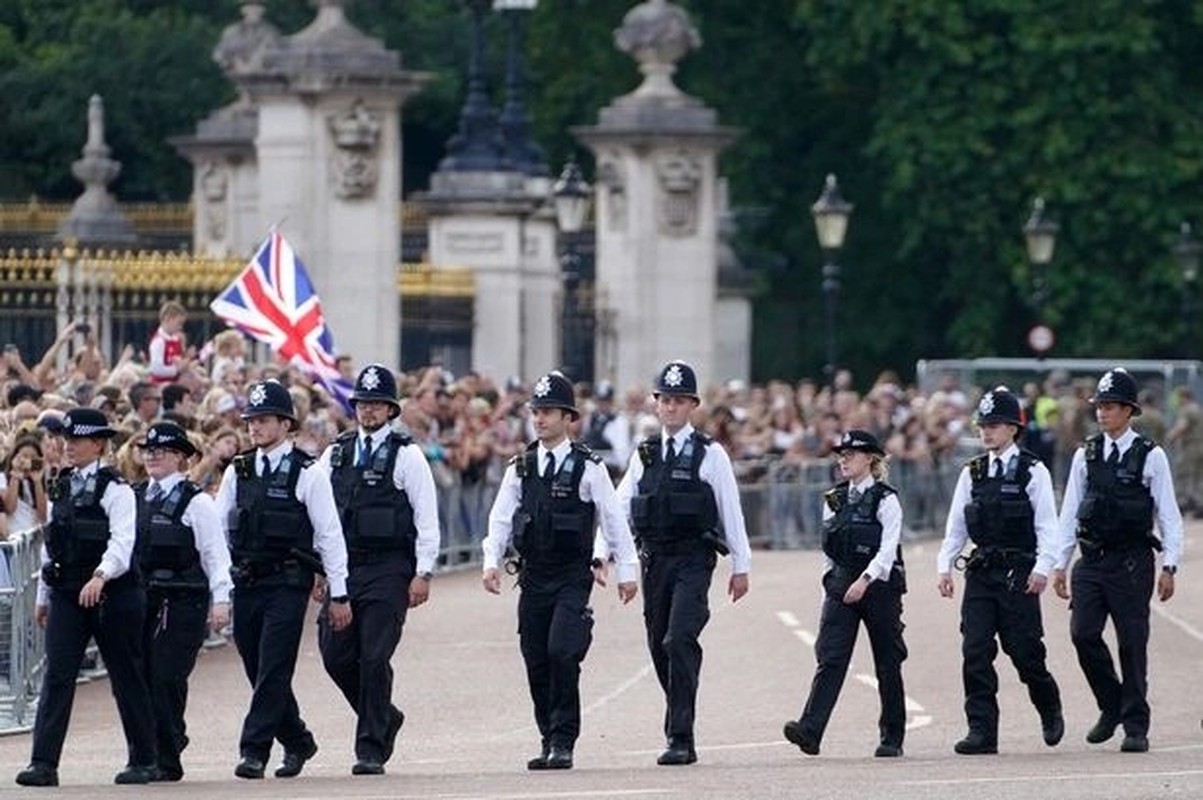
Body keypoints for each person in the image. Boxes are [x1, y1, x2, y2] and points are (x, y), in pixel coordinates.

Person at [482, 370, 638, 771]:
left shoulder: (588, 467)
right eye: (536, 411)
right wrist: (490, 561)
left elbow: (613, 519)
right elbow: (501, 518)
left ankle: (564, 739)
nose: (540, 419)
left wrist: (626, 570)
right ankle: (547, 736)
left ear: (568, 418)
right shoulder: (522, 465)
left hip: (571, 575)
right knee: (535, 656)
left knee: (561, 651)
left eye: (549, 412)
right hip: (533, 576)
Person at [213, 379, 352, 780]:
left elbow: (329, 534)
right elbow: (219, 530)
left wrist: (339, 592)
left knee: (274, 667)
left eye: (263, 419)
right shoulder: (238, 470)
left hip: (288, 584)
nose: (254, 427)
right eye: (251, 420)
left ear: (285, 423)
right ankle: (297, 739)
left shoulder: (307, 472)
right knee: (256, 667)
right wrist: (220, 588)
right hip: (247, 583)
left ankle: (253, 750)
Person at [615, 360, 752, 766]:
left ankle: (679, 733)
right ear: (656, 405)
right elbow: (619, 505)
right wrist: (603, 551)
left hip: (693, 559)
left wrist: (741, 566)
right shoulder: (645, 454)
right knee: (660, 645)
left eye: (679, 401)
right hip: (654, 560)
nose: (671, 408)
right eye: (665, 400)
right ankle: (680, 718)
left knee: (679, 639)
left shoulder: (711, 454)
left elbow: (731, 510)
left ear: (692, 405)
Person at [16, 408, 158, 787]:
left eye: (76, 441)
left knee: (125, 675)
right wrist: (44, 595)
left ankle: (144, 758)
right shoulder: (61, 484)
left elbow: (123, 542)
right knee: (58, 675)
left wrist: (101, 575)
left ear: (98, 444)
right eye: (66, 440)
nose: (68, 447)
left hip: (113, 593)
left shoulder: (117, 489)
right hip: (67, 592)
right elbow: (53, 543)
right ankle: (43, 763)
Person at [316, 364, 441, 775]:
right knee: (336, 656)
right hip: (344, 567)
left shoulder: (407, 455)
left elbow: (426, 517)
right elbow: (317, 511)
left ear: (391, 410)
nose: (367, 411)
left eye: (376, 404)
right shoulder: (335, 453)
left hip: (389, 570)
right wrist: (319, 568)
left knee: (373, 656)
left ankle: (370, 746)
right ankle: (385, 715)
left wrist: (423, 571)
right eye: (362, 404)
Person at [1052, 367, 1183, 753]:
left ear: (1129, 411)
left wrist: (1170, 565)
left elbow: (1169, 515)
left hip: (1131, 562)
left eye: (1110, 406)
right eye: (1099, 406)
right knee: (1083, 634)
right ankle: (1112, 705)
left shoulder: (1150, 455)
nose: (1102, 413)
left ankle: (1136, 725)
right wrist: (1060, 563)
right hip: (1091, 562)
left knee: (1132, 643)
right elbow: (1070, 512)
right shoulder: (1085, 454)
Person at [937, 386, 1064, 755]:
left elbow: (1047, 526)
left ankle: (1048, 704)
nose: (986, 432)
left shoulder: (1032, 470)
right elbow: (957, 524)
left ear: (1013, 428)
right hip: (981, 571)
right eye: (982, 425)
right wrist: (944, 565)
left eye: (994, 425)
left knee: (1024, 651)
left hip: (1019, 571)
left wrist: (1043, 568)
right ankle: (982, 730)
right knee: (975, 649)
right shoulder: (972, 472)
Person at [783, 430, 907, 758]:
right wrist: (830, 583)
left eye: (851, 454)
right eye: (841, 454)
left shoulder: (886, 499)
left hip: (878, 587)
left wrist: (865, 580)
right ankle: (810, 730)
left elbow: (887, 550)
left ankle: (892, 736)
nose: (844, 459)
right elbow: (828, 548)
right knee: (831, 658)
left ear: (870, 458)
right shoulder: (833, 499)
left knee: (887, 661)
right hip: (841, 585)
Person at [134, 421, 233, 781]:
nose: (153, 456)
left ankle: (167, 755)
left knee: (166, 676)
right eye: (148, 450)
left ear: (181, 458)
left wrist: (220, 600)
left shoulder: (197, 502)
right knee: (141, 678)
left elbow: (215, 555)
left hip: (183, 602)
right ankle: (154, 749)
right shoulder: (134, 496)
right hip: (144, 600)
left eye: (162, 451)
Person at [148, 301, 191, 385]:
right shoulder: (159, 341)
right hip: (161, 384)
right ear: (167, 319)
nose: (180, 327)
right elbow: (156, 369)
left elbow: (177, 360)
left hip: (174, 382)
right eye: (179, 323)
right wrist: (176, 369)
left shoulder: (176, 340)